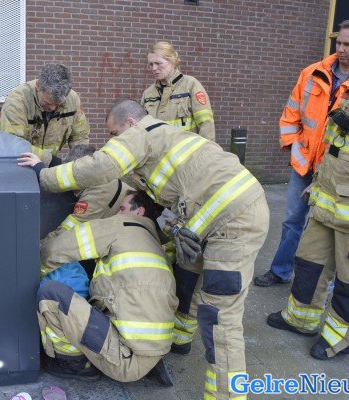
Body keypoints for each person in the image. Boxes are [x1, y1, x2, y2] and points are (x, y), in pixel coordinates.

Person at [19, 100, 269, 400]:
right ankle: (176, 343)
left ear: (130, 123)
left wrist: (43, 175)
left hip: (232, 223)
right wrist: (178, 228)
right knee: (187, 276)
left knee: (220, 317)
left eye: (114, 133)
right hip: (220, 216)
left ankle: (227, 396)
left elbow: (101, 165)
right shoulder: (159, 147)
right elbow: (164, 196)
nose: (112, 141)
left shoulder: (142, 133)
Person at [267, 18, 349, 360]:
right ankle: (300, 319)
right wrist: (317, 183)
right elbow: (336, 144)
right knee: (309, 264)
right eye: (348, 46)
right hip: (326, 203)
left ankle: (340, 338)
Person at [254, 18, 349, 287]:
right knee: (292, 221)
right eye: (340, 42)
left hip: (336, 171)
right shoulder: (312, 72)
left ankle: (321, 285)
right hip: (303, 165)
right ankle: (280, 271)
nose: (344, 49)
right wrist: (293, 146)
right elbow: (291, 113)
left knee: (328, 227)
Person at [37, 190, 178, 385]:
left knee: (51, 294)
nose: (117, 213)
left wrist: (29, 275)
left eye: (122, 208)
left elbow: (55, 249)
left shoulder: (122, 225)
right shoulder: (157, 249)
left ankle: (74, 363)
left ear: (139, 212)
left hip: (124, 358)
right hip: (153, 354)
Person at [0, 63, 90, 164]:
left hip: (49, 166)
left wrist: (79, 164)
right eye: (48, 102)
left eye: (58, 104)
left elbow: (80, 137)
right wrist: (52, 162)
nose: (53, 108)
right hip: (21, 165)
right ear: (38, 86)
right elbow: (15, 145)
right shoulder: (16, 102)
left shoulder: (72, 99)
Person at [42, 144, 132, 242]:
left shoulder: (98, 194)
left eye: (73, 177)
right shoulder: (102, 178)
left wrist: (40, 245)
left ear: (84, 174)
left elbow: (69, 231)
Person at [140, 41, 216, 141]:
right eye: (151, 64)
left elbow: (206, 125)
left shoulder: (191, 85)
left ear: (171, 61)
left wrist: (206, 150)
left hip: (187, 150)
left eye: (158, 63)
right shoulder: (148, 94)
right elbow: (140, 129)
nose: (154, 68)